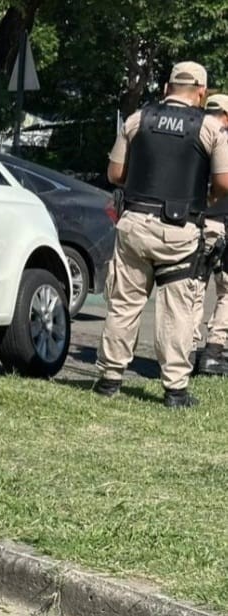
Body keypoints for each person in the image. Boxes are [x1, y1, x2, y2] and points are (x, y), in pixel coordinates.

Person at [94, 61, 228, 407]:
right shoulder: (210, 127)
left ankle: (109, 379)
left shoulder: (139, 119)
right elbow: (224, 182)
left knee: (124, 304)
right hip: (179, 231)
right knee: (177, 310)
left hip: (135, 222)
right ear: (201, 92)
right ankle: (175, 389)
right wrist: (208, 196)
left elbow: (114, 173)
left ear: (168, 88)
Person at [193, 94, 228, 375]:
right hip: (221, 224)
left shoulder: (193, 136)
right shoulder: (223, 139)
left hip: (194, 223)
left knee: (193, 287)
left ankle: (188, 351)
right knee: (227, 291)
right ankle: (213, 352)